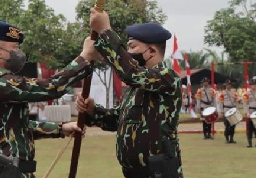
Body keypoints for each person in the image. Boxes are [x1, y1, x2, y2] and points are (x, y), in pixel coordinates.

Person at [0, 21, 95, 178]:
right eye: (15, 48)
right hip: (5, 172)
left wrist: (60, 129)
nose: (19, 53)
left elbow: (17, 127)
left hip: (7, 171)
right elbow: (50, 87)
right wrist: (84, 57)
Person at [76, 9, 183, 178]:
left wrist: (105, 31)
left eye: (132, 47)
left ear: (152, 52)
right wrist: (92, 110)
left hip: (159, 172)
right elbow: (117, 120)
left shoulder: (167, 78)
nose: (128, 53)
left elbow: (129, 73)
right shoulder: (135, 87)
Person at [218, 79, 238, 144]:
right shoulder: (222, 93)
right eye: (227, 85)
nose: (228, 86)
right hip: (226, 109)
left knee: (233, 125)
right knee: (227, 125)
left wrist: (236, 109)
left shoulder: (234, 92)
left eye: (229, 85)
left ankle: (232, 138)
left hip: (233, 109)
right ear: (225, 85)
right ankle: (227, 138)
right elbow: (221, 103)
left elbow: (236, 101)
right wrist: (221, 111)